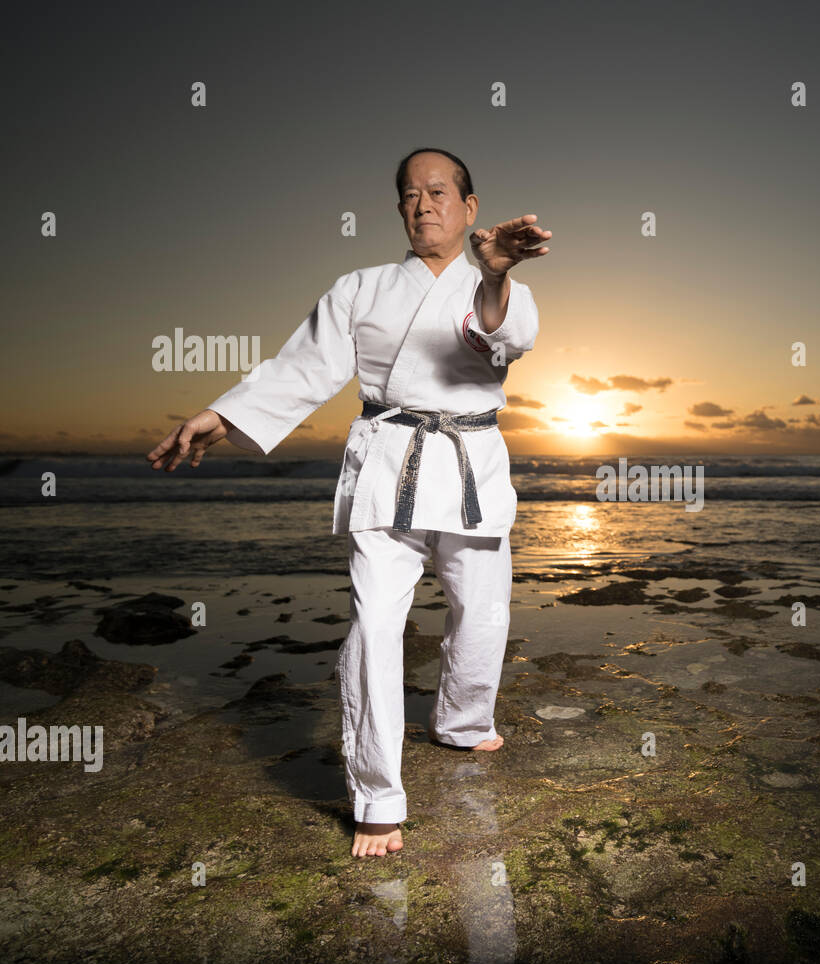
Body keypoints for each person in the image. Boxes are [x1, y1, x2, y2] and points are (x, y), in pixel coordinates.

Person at [146, 148, 550, 858]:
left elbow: (498, 339)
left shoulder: (495, 279)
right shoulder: (360, 288)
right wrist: (221, 415)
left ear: (470, 205)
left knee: (484, 611)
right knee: (373, 627)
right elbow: (301, 369)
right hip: (387, 465)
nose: (421, 204)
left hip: (469, 468)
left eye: (436, 191)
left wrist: (495, 275)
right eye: (408, 194)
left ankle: (459, 720)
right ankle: (377, 795)